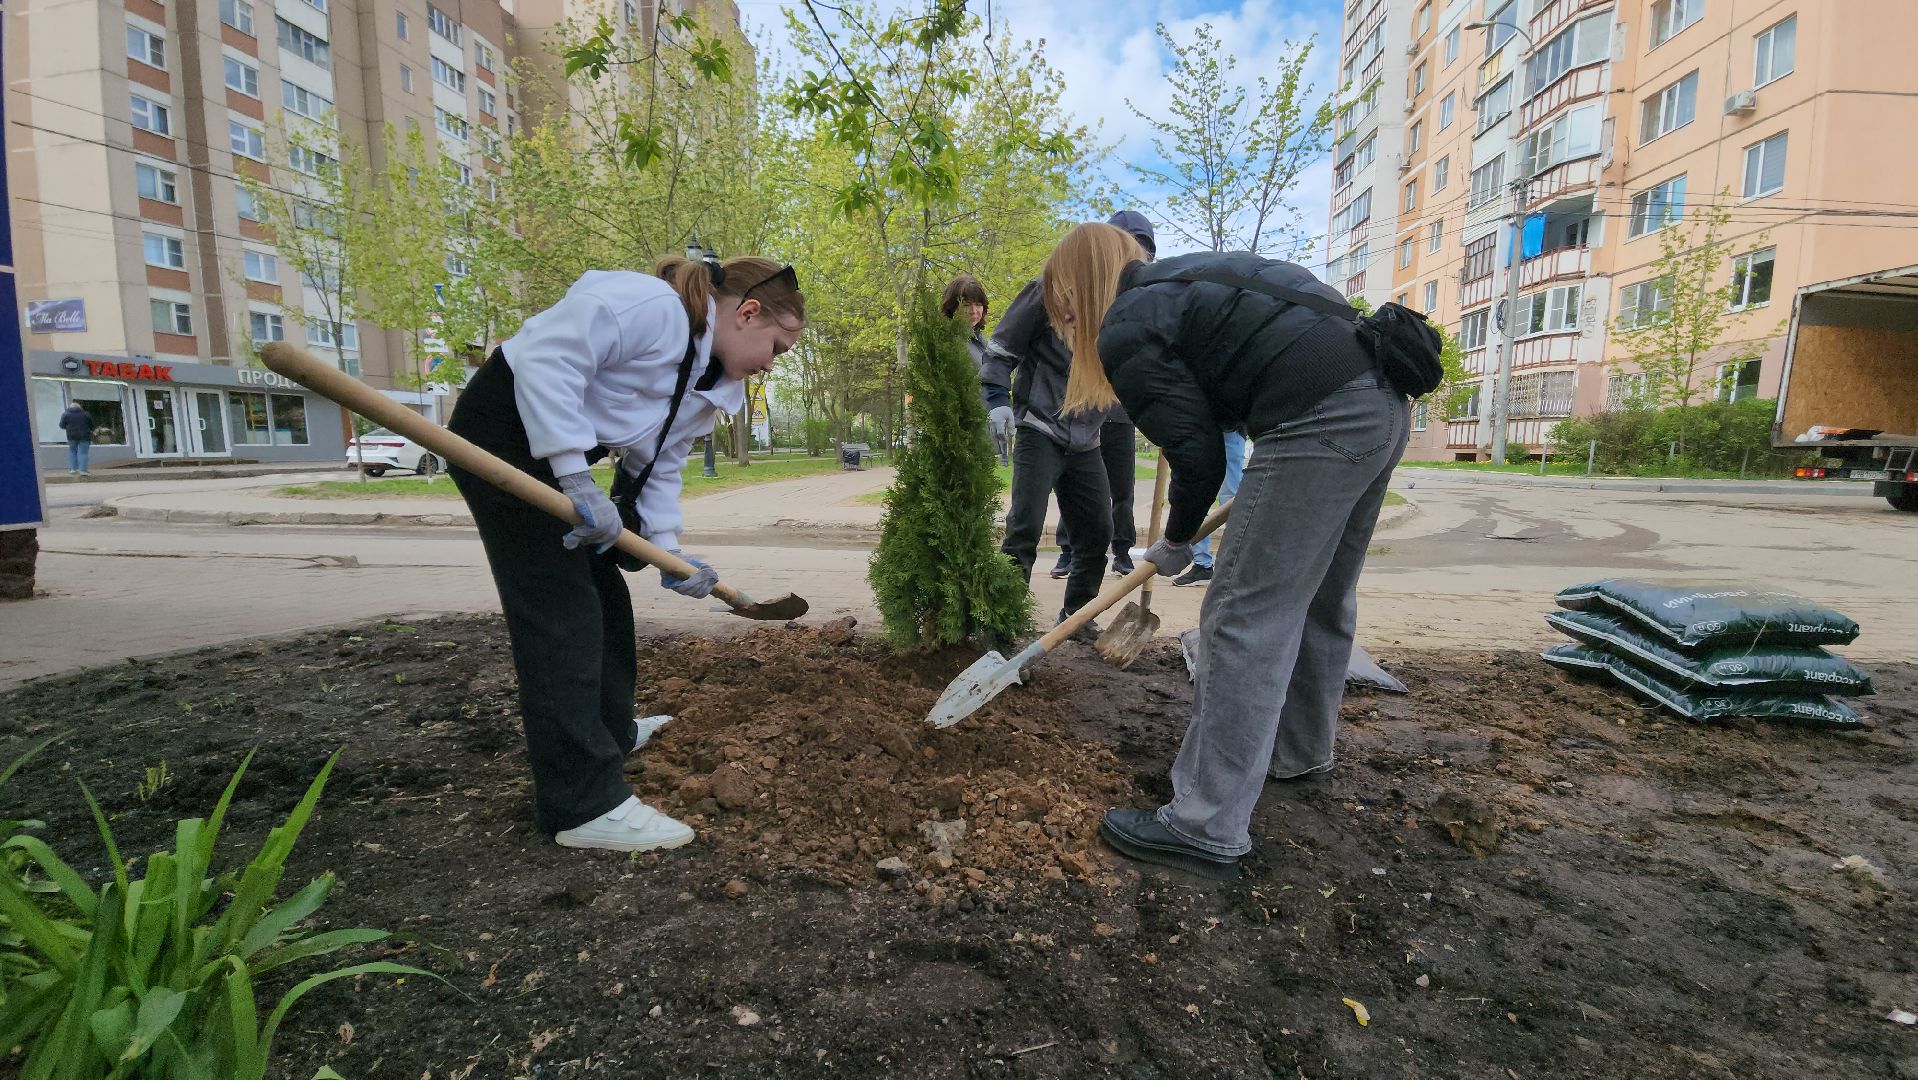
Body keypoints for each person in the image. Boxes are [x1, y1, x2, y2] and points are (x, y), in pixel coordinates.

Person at [1040, 222, 1436, 879]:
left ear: (1080, 286)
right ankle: (1298, 751)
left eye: (1063, 301)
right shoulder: (1188, 281)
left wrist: (1174, 541)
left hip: (1320, 416)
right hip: (1384, 403)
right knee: (1320, 598)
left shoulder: (1128, 324)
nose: (1064, 319)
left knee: (1241, 615)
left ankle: (1204, 823)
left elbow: (1197, 458)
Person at [447, 255, 805, 853]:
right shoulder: (651, 308)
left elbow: (660, 461)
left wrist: (669, 553)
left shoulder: (705, 379)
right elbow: (545, 359)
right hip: (501, 436)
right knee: (560, 613)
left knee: (605, 597)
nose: (772, 363)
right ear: (747, 313)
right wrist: (574, 476)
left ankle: (610, 730)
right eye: (777, 346)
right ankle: (582, 804)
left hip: (554, 454)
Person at [1051, 211, 1155, 578]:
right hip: (1084, 410)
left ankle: (1122, 551)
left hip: (1121, 413)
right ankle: (1068, 549)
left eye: (1143, 247)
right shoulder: (1089, 294)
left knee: (1121, 487)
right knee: (1075, 486)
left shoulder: (1146, 298)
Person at [942, 274, 1009, 465]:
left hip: (983, 434)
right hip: (962, 438)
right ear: (952, 307)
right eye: (966, 305)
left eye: (978, 304)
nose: (974, 311)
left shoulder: (979, 341)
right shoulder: (950, 341)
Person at [1173, 430, 1247, 587]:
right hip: (1202, 431)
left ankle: (1233, 567)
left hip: (1231, 429)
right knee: (1197, 498)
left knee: (1231, 501)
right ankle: (1202, 565)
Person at [59, 401, 94, 476]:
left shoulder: (65, 414)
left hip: (71, 436)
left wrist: (69, 428)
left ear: (70, 407)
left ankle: (73, 469)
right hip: (85, 436)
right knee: (83, 453)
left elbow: (61, 425)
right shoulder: (86, 414)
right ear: (80, 408)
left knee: (72, 451)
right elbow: (91, 425)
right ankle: (83, 471)